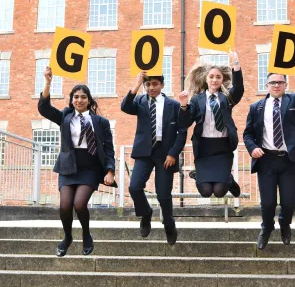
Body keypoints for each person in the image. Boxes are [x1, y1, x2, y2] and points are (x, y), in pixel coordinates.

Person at [38, 67, 117, 257]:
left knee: (79, 204)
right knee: (65, 205)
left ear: (89, 100)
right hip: (68, 167)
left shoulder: (101, 122)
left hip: (89, 167)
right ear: (71, 100)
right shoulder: (65, 117)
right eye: (76, 97)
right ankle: (67, 237)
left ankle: (86, 235)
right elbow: (44, 108)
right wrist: (48, 83)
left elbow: (108, 148)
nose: (79, 100)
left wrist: (110, 170)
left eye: (83, 97)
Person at [243, 70, 295, 250]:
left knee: (288, 202)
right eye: (273, 82)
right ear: (266, 86)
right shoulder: (257, 107)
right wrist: (253, 148)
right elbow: (247, 134)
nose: (276, 85)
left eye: (280, 82)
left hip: (287, 160)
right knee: (268, 202)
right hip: (266, 160)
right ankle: (267, 228)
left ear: (285, 85)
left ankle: (285, 224)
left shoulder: (292, 100)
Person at [121, 72, 187, 246]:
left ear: (162, 85)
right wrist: (137, 84)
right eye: (148, 84)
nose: (151, 88)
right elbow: (125, 107)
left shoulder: (173, 105)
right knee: (134, 187)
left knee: (163, 194)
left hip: (165, 154)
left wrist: (173, 153)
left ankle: (169, 224)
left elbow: (182, 131)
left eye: (155, 84)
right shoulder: (140, 102)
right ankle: (146, 213)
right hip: (144, 152)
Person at [178, 50, 244, 199]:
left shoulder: (227, 98)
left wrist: (236, 63)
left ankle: (228, 178)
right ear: (206, 79)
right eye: (212, 77)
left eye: (218, 77)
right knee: (206, 192)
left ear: (222, 80)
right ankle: (199, 175)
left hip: (223, 147)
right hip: (204, 148)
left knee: (220, 192)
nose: (215, 80)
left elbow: (239, 89)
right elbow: (185, 122)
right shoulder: (196, 100)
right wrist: (183, 106)